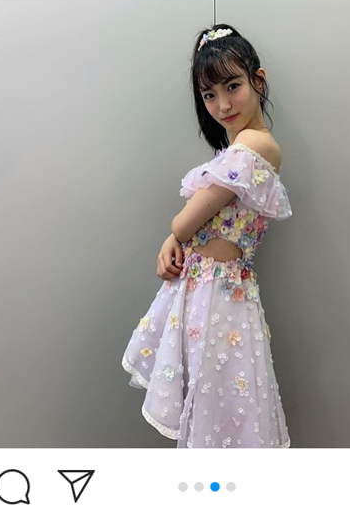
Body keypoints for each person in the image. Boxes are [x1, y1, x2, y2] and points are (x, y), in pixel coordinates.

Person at [122, 24, 293, 448]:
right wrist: (175, 239)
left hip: (220, 297)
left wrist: (175, 233)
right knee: (210, 411)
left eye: (233, 86)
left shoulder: (255, 145)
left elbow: (186, 222)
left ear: (258, 80)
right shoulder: (234, 152)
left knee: (222, 415)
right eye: (209, 95)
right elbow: (195, 228)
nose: (222, 104)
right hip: (206, 292)